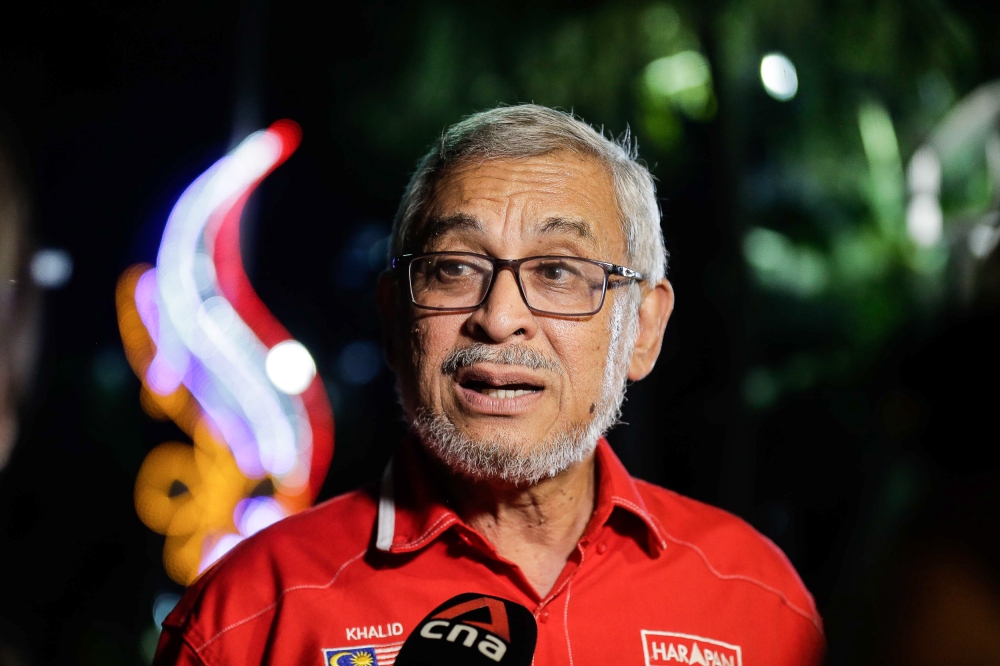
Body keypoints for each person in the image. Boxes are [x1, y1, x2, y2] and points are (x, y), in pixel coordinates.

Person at [155, 104, 824, 665]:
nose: (500, 318)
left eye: (558, 272)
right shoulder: (246, 616)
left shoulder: (756, 598)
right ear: (395, 317)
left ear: (643, 329)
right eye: (453, 267)